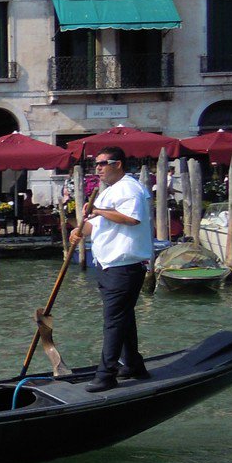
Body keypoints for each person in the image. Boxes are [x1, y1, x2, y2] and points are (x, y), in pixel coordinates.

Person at [70, 146, 153, 392]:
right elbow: (98, 225)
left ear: (118, 164)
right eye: (96, 164)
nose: (98, 168)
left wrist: (95, 210)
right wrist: (79, 230)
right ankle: (134, 365)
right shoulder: (110, 192)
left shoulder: (129, 188)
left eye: (103, 163)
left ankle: (106, 374)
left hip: (124, 266)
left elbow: (132, 218)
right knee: (123, 317)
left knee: (113, 321)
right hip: (109, 265)